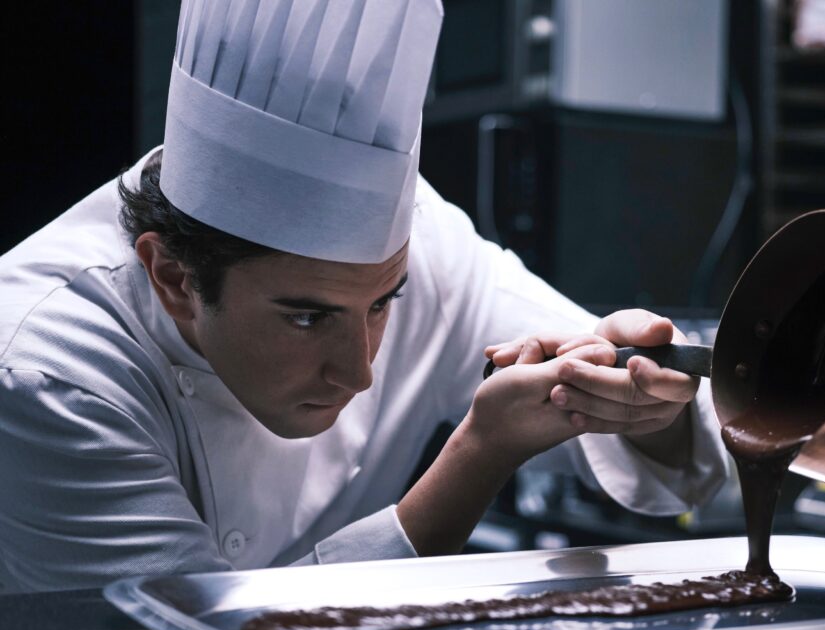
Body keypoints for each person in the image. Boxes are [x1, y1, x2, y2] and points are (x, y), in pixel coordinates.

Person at [0, 0, 728, 593]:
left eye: (383, 303)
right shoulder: (47, 366)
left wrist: (640, 401)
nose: (358, 372)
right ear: (175, 279)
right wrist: (479, 454)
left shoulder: (423, 244)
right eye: (306, 316)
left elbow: (677, 438)